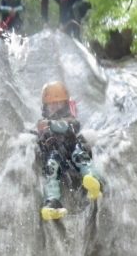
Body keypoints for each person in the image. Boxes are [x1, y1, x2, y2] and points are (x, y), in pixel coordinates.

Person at [35, 81, 103, 221]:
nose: (55, 108)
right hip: (56, 155)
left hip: (72, 149)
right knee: (51, 168)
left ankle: (93, 181)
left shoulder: (71, 121)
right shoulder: (42, 124)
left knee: (81, 156)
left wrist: (50, 124)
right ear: (45, 107)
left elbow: (67, 127)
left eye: (59, 104)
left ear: (65, 105)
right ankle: (53, 202)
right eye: (51, 105)